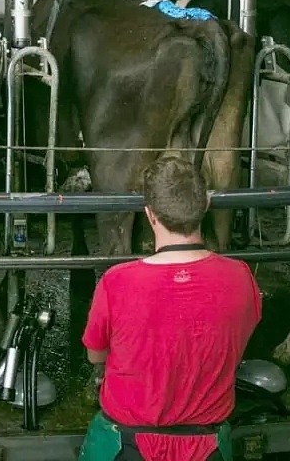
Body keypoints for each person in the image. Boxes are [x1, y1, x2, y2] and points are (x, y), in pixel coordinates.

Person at [77, 155, 262, 461]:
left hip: (128, 445)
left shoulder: (117, 281)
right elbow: (240, 340)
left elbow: (95, 354)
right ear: (205, 205)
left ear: (150, 214)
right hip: (208, 446)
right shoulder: (241, 276)